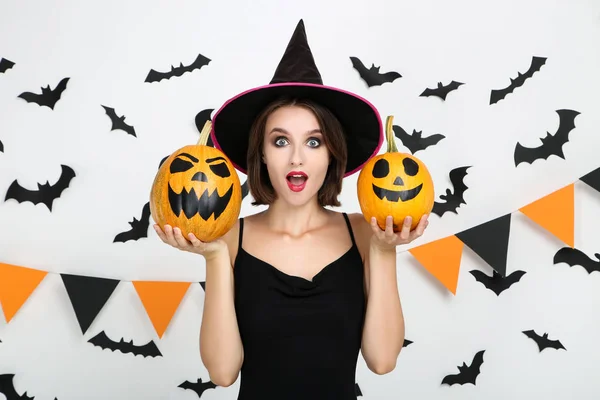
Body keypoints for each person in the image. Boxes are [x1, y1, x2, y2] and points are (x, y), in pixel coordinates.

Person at [153, 20, 429, 400]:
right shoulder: (230, 236)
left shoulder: (366, 232)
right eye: (280, 140)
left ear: (332, 152)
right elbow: (222, 373)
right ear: (262, 154)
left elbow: (382, 360)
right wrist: (215, 256)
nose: (297, 158)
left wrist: (383, 250)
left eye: (313, 142)